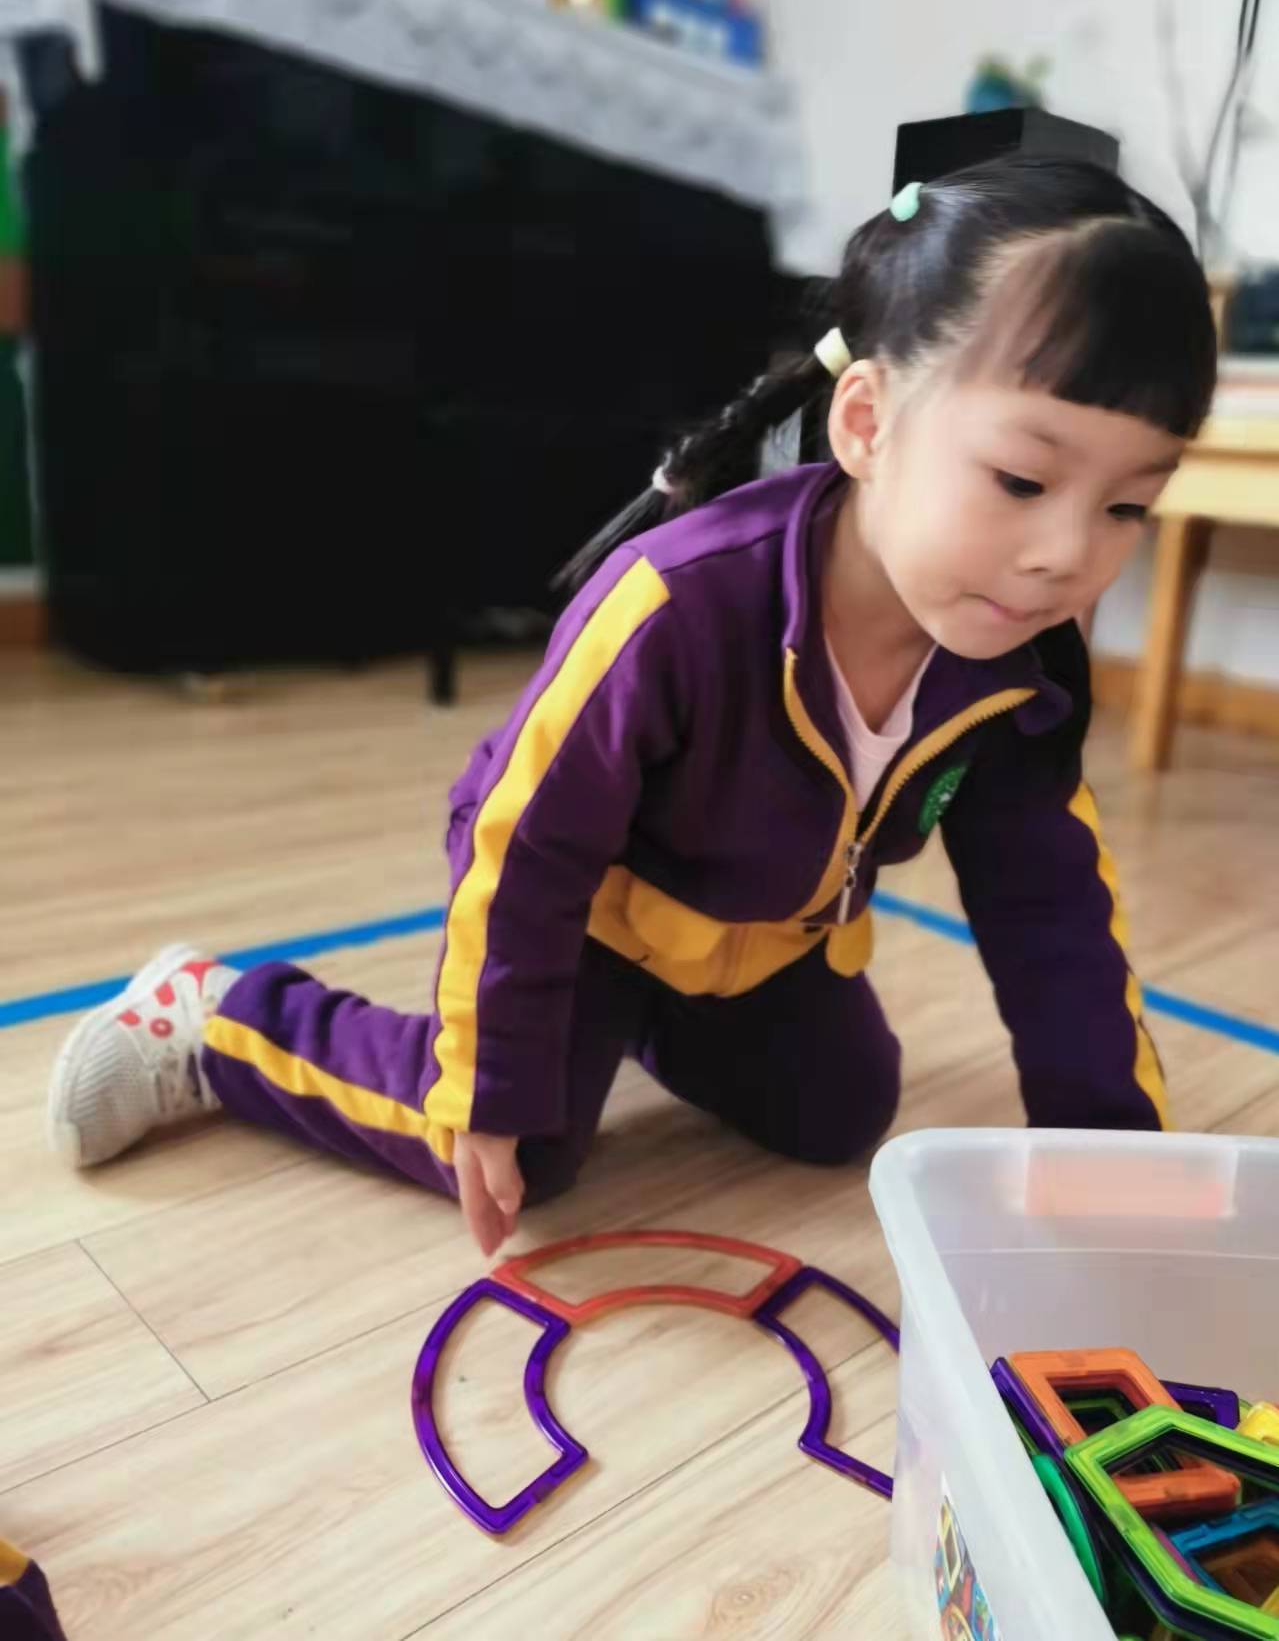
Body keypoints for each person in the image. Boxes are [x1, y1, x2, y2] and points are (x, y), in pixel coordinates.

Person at [48, 157, 1217, 1257]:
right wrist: (492, 1080)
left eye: (1126, 506)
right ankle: (215, 1018)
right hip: (586, 912)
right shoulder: (676, 601)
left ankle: (643, 1025)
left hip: (765, 936)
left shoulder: (1017, 665)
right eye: (1022, 479)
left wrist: (1111, 1155)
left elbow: (1051, 908)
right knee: (517, 1146)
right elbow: (524, 844)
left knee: (840, 1112)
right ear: (865, 422)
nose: (1066, 555)